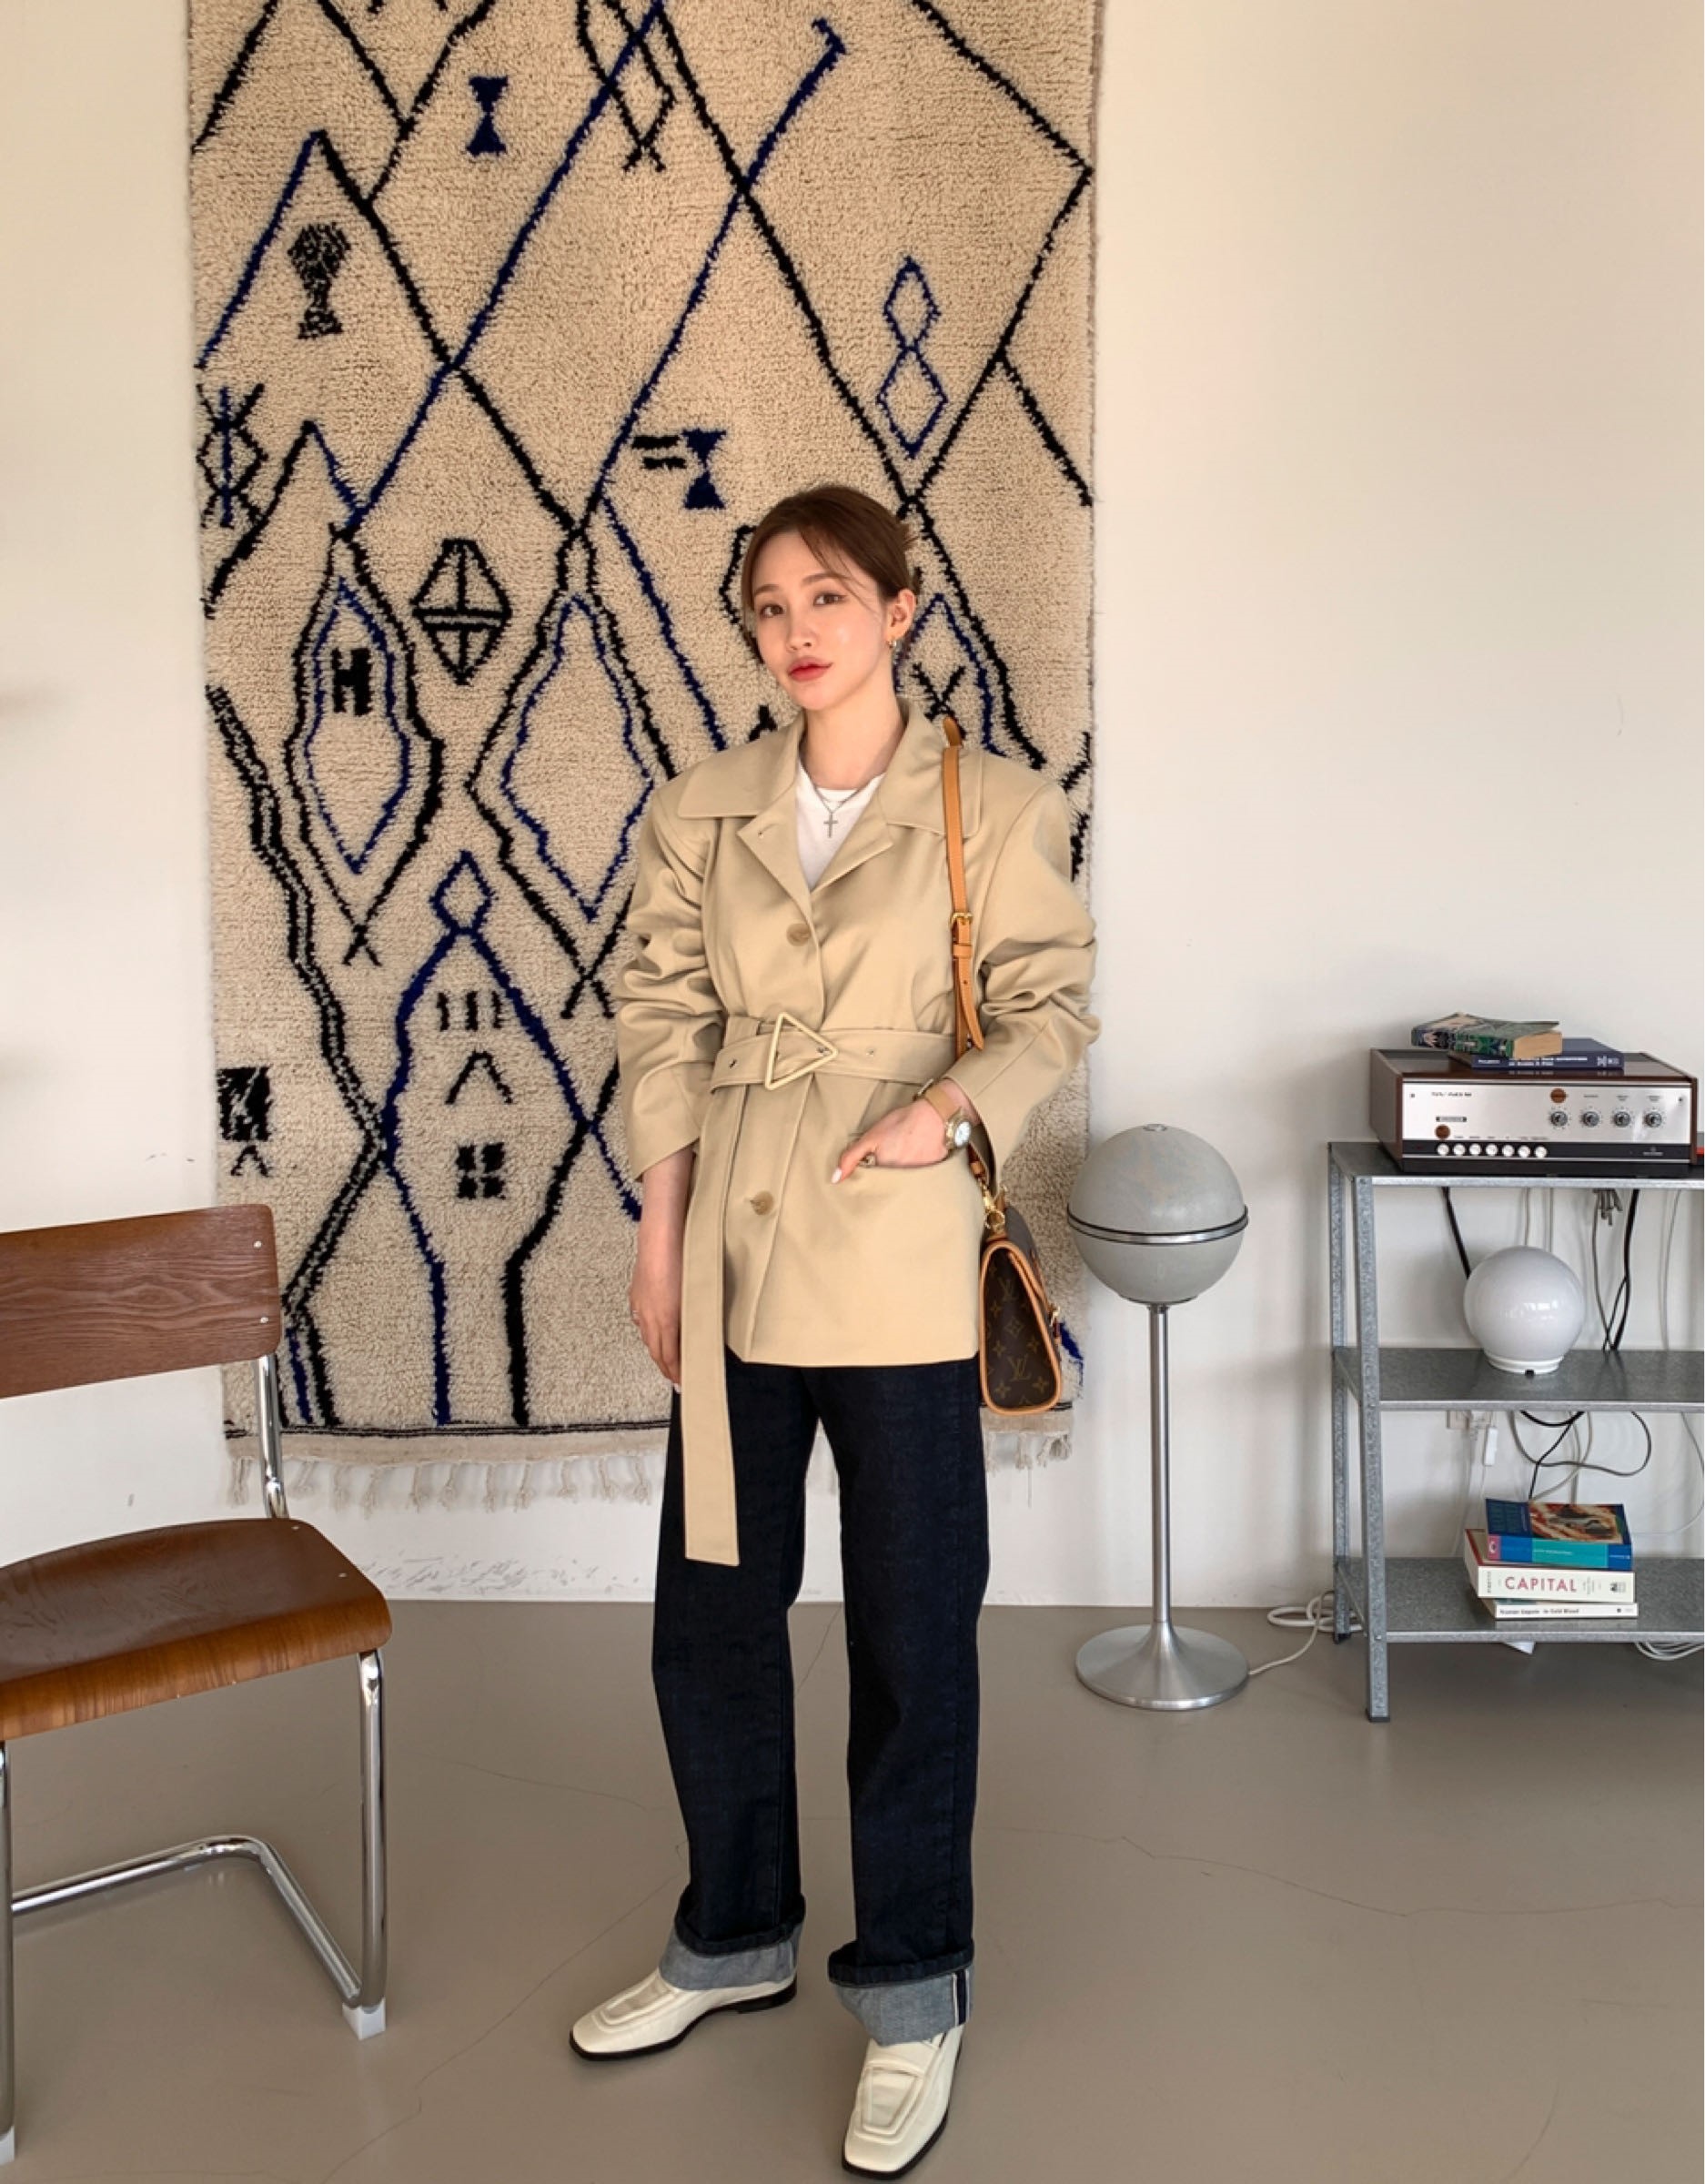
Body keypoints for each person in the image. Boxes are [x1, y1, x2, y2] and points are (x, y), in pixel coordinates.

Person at [573, 483, 1099, 2176]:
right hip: (732, 1243)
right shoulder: (700, 807)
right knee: (710, 1618)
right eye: (765, 606)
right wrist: (659, 1237)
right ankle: (732, 1934)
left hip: (895, 1260)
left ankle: (913, 1990)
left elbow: (1048, 1009)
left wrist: (946, 1113)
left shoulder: (989, 804)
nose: (794, 631)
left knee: (909, 1635)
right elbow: (661, 1015)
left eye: (825, 597)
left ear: (896, 609)